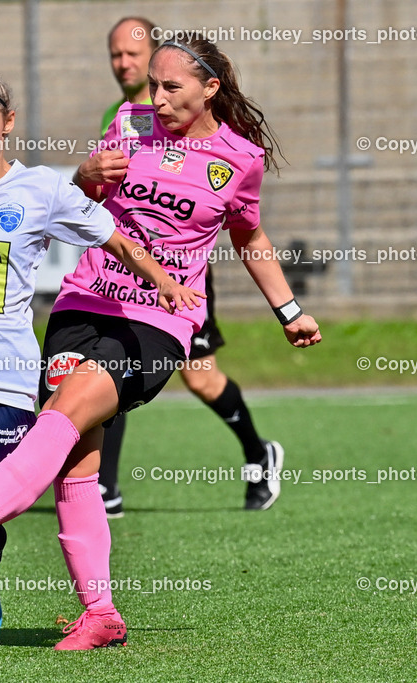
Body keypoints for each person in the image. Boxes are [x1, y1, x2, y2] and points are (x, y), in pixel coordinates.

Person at [0, 33, 322, 651]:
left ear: (210, 89)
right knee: (75, 457)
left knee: (64, 411)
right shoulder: (129, 121)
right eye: (153, 83)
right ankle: (100, 614)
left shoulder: (239, 158)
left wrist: (289, 310)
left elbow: (249, 238)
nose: (157, 96)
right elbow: (80, 204)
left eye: (172, 86)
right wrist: (85, 174)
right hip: (84, 300)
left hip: (159, 320)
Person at [0, 53, 200, 666]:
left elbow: (116, 238)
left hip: (4, 375)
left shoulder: (44, 190)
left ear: (8, 124)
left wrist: (165, 283)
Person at [95, 17, 284, 517]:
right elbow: (96, 196)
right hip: (122, 273)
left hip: (183, 276)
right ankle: (104, 487)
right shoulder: (126, 117)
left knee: (200, 378)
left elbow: (239, 219)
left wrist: (288, 310)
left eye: (134, 54)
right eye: (116, 55)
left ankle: (257, 452)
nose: (125, 64)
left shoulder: (215, 131)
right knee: (109, 366)